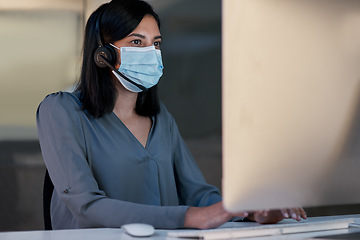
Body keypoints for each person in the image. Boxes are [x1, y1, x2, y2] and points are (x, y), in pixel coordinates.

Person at [36, 0, 307, 230]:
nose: (151, 53)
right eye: (136, 42)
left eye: (156, 43)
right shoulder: (60, 110)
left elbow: (198, 193)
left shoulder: (159, 117)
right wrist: (189, 217)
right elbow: (86, 205)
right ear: (103, 54)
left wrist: (247, 211)